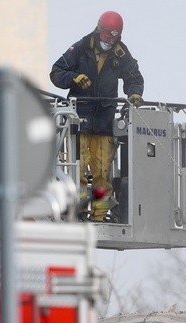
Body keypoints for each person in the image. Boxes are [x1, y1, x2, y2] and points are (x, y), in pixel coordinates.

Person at [50, 10, 144, 222]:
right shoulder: (80, 49)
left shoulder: (120, 54)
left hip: (104, 124)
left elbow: (133, 76)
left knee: (102, 174)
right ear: (98, 30)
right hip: (80, 123)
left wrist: (135, 92)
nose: (109, 40)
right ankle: (80, 211)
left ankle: (99, 215)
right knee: (79, 172)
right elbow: (56, 73)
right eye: (106, 35)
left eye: (114, 36)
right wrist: (74, 78)